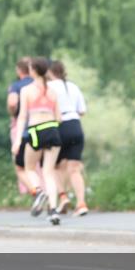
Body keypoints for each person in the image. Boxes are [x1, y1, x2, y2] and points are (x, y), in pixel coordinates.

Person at [12, 57, 62, 225]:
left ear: (33, 70)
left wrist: (17, 141)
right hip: (53, 130)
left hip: (35, 131)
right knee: (49, 172)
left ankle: (38, 191)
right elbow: (59, 118)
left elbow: (22, 117)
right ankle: (54, 210)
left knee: (29, 168)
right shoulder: (53, 92)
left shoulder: (27, 90)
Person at [48, 61, 88, 216]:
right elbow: (82, 110)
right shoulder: (73, 86)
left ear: (49, 73)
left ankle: (63, 196)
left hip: (59, 126)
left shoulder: (49, 88)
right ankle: (81, 204)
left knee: (53, 167)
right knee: (74, 169)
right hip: (75, 126)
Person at [7, 58, 33, 196]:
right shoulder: (39, 84)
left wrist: (13, 113)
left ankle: (32, 191)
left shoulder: (16, 86)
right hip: (41, 124)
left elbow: (12, 103)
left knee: (20, 163)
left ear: (18, 70)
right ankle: (45, 190)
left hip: (21, 125)